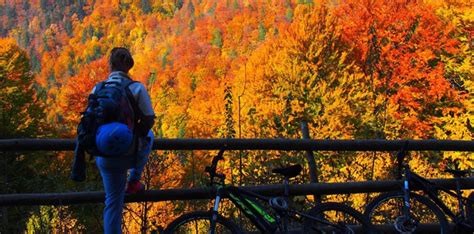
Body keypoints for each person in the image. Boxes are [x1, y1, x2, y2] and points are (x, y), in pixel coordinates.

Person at [72, 47, 155, 234]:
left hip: (103, 155)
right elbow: (149, 119)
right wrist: (133, 136)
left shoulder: (98, 88)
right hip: (128, 154)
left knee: (113, 203)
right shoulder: (136, 88)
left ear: (110, 65)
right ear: (129, 67)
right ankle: (134, 180)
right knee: (150, 137)